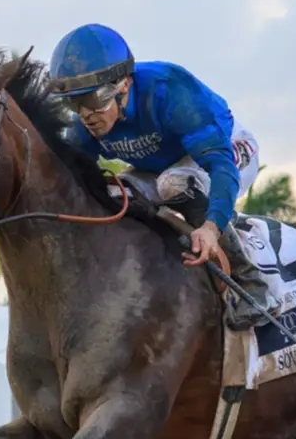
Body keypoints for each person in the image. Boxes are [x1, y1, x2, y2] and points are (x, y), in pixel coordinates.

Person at [48, 23, 278, 329]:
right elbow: (71, 185)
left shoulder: (169, 90)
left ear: (123, 85)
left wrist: (211, 227)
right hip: (160, 167)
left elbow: (220, 165)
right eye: (74, 103)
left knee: (174, 184)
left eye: (93, 100)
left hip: (224, 149)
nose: (85, 114)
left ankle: (253, 285)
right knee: (116, 195)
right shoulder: (84, 126)